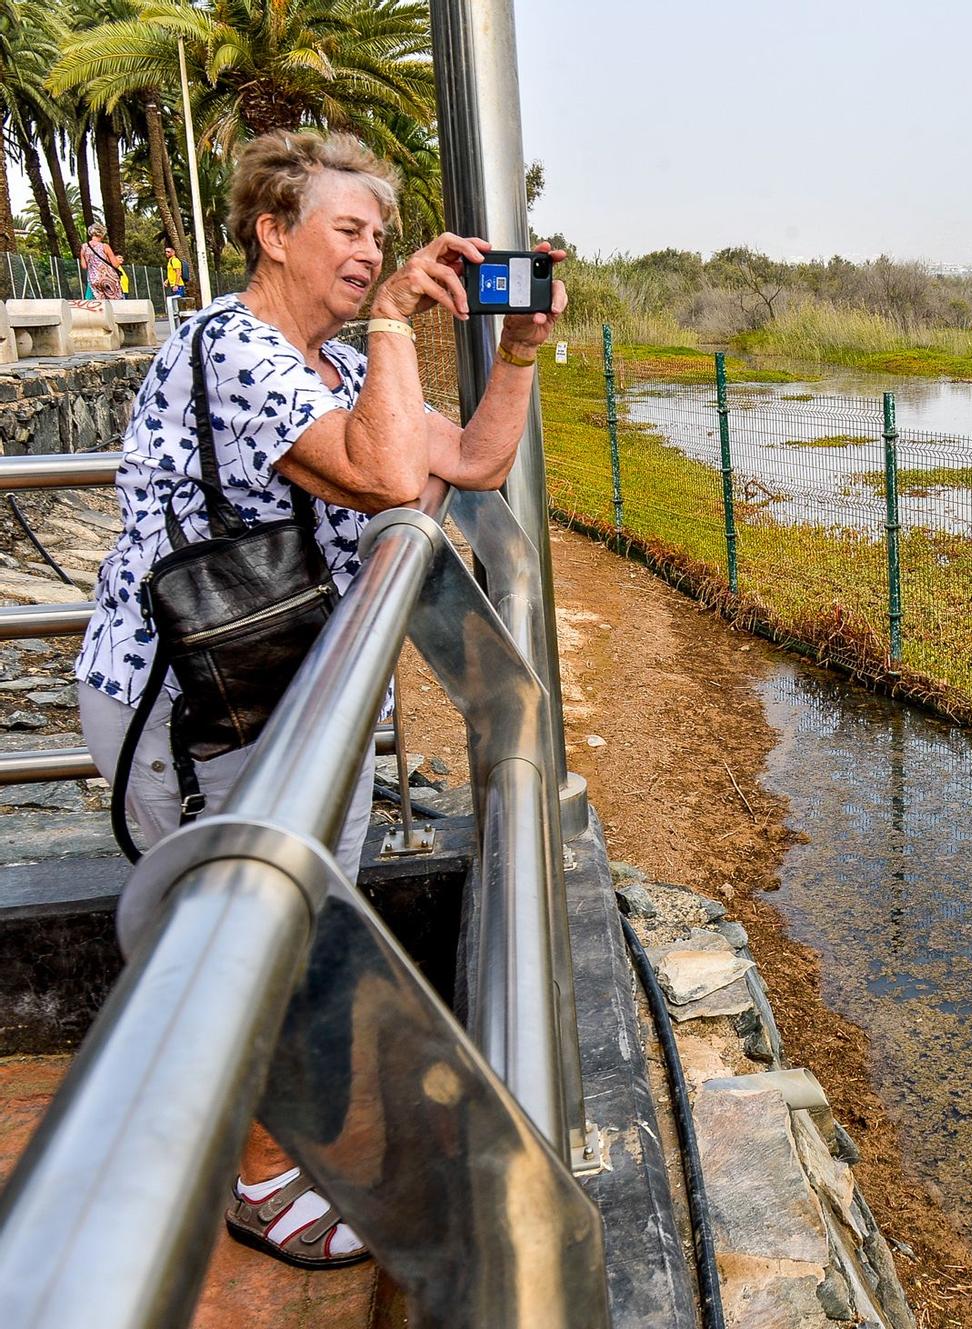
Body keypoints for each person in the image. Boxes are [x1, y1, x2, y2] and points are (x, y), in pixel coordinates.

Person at [73, 128, 567, 1269]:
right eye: (348, 230)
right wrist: (397, 319)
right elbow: (394, 477)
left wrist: (520, 355)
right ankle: (253, 1178)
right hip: (192, 709)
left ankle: (242, 1141)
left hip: (279, 695)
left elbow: (469, 462)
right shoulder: (233, 349)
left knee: (285, 929)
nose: (371, 250)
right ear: (272, 232)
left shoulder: (334, 364)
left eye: (383, 236)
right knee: (255, 943)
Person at [79, 221, 122, 303]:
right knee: (115, 303)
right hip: (108, 279)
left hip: (94, 280)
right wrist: (118, 261)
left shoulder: (84, 247)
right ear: (101, 233)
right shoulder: (105, 246)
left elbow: (84, 266)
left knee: (101, 304)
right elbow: (115, 265)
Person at [163, 245, 186, 324]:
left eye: (168, 251)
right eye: (166, 251)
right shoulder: (170, 261)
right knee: (175, 306)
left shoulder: (175, 261)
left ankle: (182, 323)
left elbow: (178, 272)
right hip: (173, 285)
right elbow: (172, 273)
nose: (166, 253)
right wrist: (167, 281)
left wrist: (176, 284)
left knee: (179, 306)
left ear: (173, 252)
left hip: (178, 285)